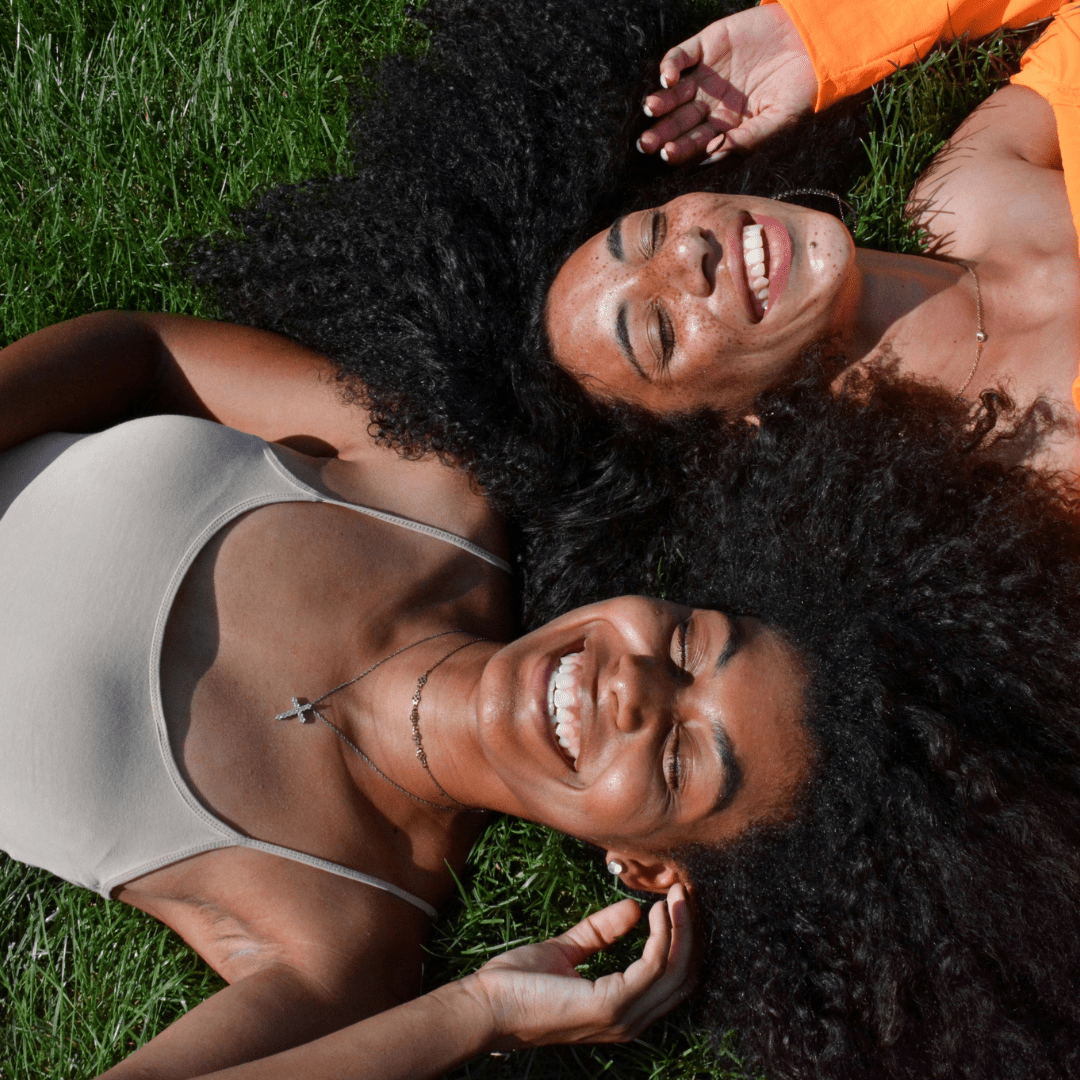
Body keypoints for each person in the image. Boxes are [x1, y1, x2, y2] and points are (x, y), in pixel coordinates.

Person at [9, 311, 1080, 1080]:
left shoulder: (337, 939)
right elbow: (141, 351)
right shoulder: (431, 495)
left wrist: (478, 1013)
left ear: (644, 865)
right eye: (691, 645)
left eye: (676, 761)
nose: (634, 691)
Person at [543, 0, 1080, 474]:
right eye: (660, 330)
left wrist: (823, 38)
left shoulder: (962, 193)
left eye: (653, 230)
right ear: (734, 430)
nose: (688, 250)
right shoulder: (1038, 479)